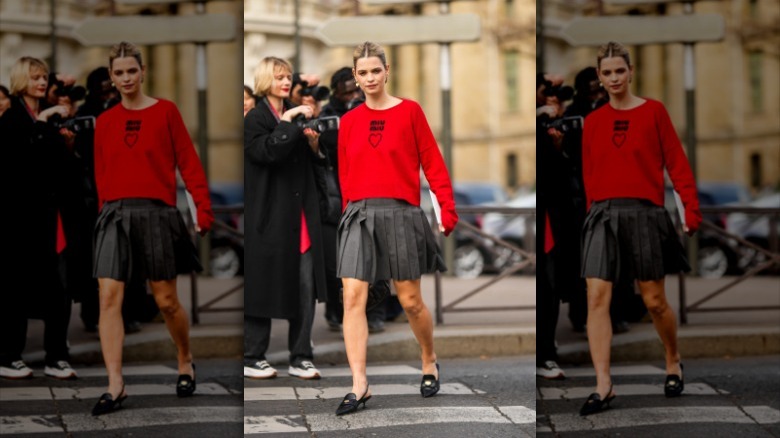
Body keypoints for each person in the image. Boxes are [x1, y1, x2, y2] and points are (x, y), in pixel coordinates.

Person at [579, 41, 701, 416]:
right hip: (602, 216)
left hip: (646, 214)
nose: (614, 78)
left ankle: (673, 359)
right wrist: (590, 218)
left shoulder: (654, 112)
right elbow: (589, 174)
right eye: (607, 72)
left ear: (630, 72)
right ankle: (604, 383)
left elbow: (677, 164)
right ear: (599, 78)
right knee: (597, 298)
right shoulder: (594, 121)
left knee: (654, 301)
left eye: (620, 71)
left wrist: (690, 210)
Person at [91, 41, 214, 415]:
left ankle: (185, 357)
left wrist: (202, 209)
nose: (126, 78)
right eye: (119, 73)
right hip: (114, 215)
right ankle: (116, 383)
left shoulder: (166, 112)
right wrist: (102, 217)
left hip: (157, 214)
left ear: (142, 72)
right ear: (111, 78)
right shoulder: (105, 121)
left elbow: (189, 163)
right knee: (109, 299)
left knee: (167, 302)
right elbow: (101, 174)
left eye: (132, 71)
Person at [336, 41, 457, 415]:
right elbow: (345, 174)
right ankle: (360, 383)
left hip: (401, 213)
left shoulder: (410, 112)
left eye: (376, 70)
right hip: (358, 215)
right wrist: (346, 218)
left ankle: (428, 358)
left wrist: (446, 208)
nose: (370, 78)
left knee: (410, 301)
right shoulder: (349, 121)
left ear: (387, 72)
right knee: (352, 298)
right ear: (355, 78)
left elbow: (433, 164)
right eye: (363, 72)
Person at [243, 56, 328, 381]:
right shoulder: (256, 118)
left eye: (288, 75)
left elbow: (316, 163)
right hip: (270, 218)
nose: (285, 81)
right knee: (263, 286)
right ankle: (253, 355)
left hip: (301, 218)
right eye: (279, 76)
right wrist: (289, 121)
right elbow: (266, 152)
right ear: (266, 78)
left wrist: (314, 144)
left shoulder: (291, 112)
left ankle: (301, 356)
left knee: (305, 288)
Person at [0, 57, 80, 381]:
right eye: (35, 77)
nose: (42, 82)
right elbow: (17, 166)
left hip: (52, 218)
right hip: (21, 221)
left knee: (58, 290)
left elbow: (63, 168)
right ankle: (8, 356)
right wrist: (44, 125)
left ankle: (56, 356)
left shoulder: (44, 117)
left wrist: (67, 145)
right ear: (22, 80)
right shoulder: (11, 121)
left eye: (44, 76)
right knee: (16, 291)